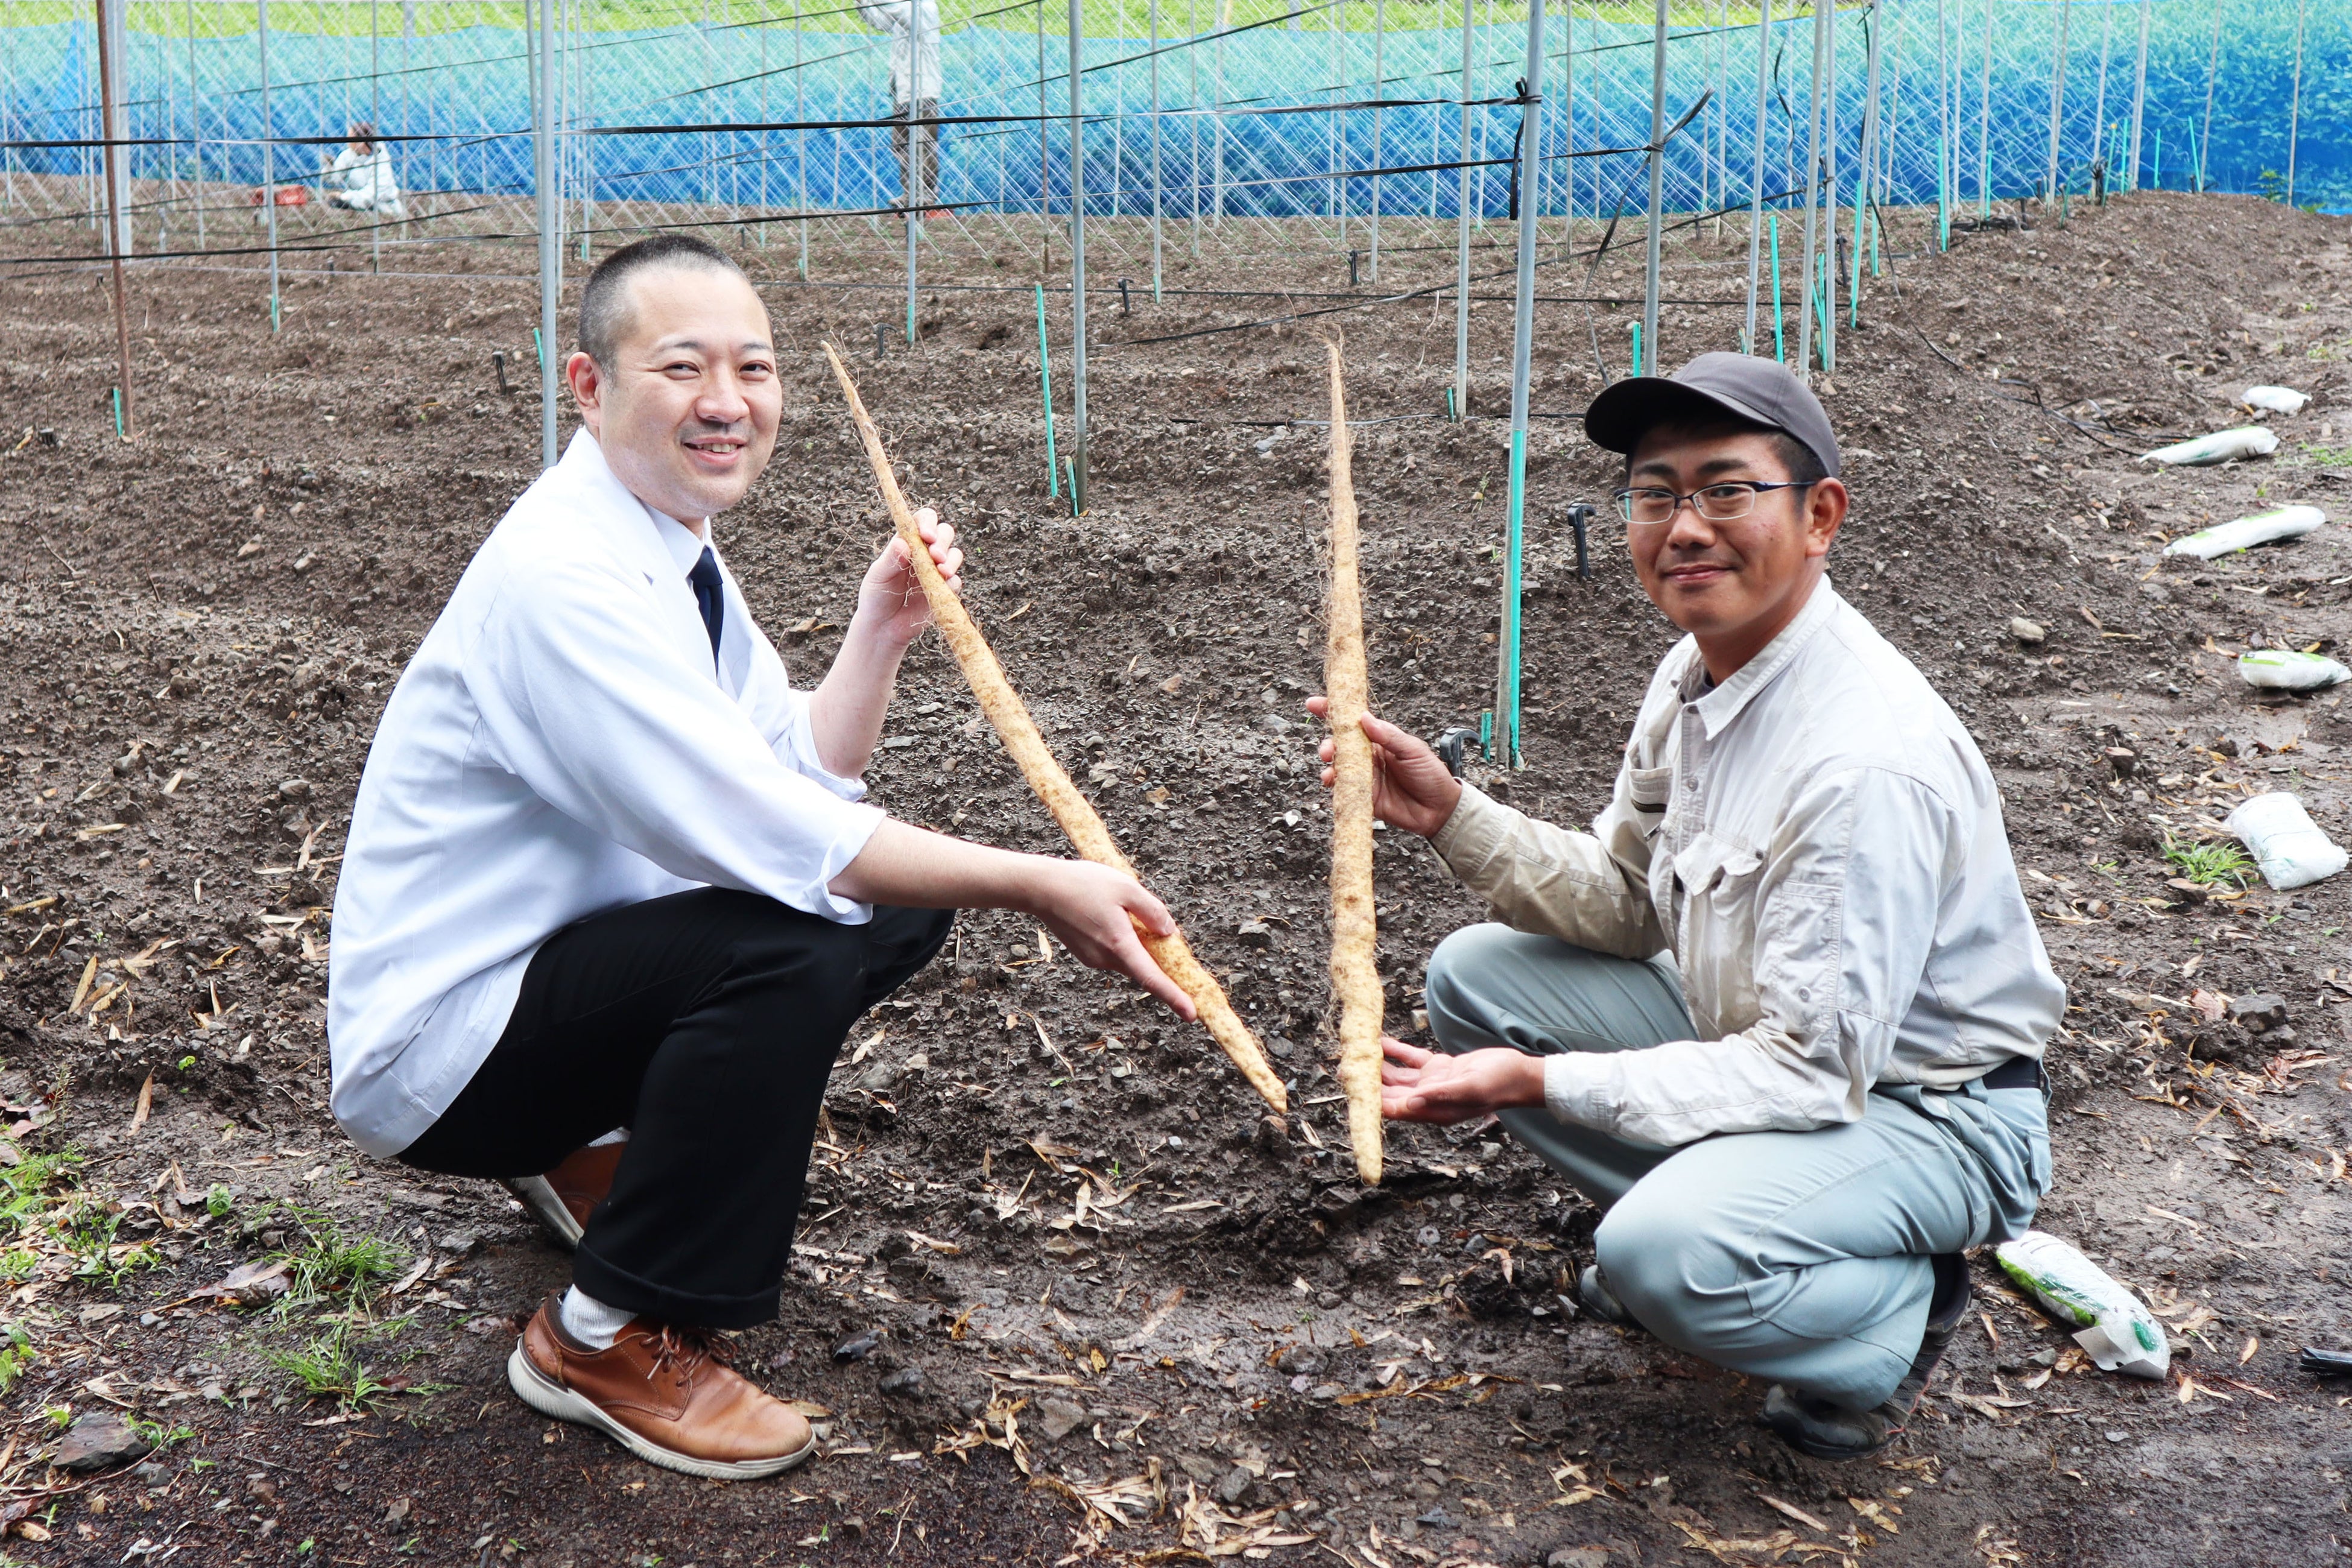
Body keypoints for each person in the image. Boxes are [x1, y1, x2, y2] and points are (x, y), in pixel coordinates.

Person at [327, 233, 1195, 1481]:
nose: (728, 401)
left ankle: (588, 1154)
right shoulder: (564, 578)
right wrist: (1037, 878)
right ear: (589, 383)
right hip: (441, 1045)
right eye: (682, 367)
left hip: (535, 981)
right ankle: (601, 1334)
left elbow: (795, 768)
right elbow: (787, 841)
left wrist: (880, 628)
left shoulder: (661, 537)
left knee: (883, 913)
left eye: (754, 367)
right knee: (800, 937)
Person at [1310, 353, 2058, 1461]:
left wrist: (1542, 1081)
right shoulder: (1696, 676)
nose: (1685, 526)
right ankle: (1746, 1228)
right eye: (1656, 495)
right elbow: (1624, 902)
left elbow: (1812, 1069)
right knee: (1478, 977)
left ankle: (1891, 1319)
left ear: (1820, 517)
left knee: (1658, 1254)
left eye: (1726, 489)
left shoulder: (1861, 761)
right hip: (1776, 1053)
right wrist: (1452, 815)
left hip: (1932, 1115)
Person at [856, 0, 943, 218]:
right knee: (901, 145)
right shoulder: (907, 9)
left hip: (923, 91)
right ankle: (909, 194)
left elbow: (896, 10)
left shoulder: (923, 8)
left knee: (923, 145)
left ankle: (925, 196)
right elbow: (883, 22)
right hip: (904, 91)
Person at [321, 122, 406, 220]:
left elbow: (372, 195)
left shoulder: (381, 163)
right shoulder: (349, 155)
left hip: (385, 209)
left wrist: (344, 197)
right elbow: (335, 178)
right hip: (358, 208)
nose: (347, 142)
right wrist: (329, 168)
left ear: (361, 142)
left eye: (350, 139)